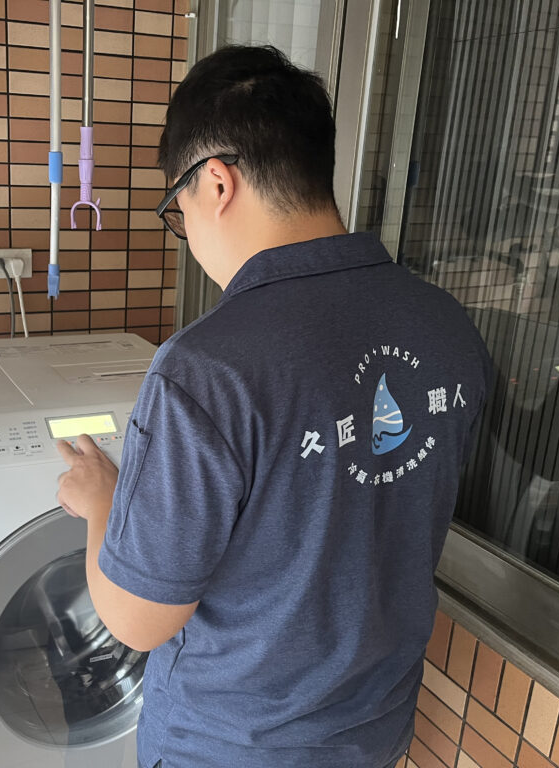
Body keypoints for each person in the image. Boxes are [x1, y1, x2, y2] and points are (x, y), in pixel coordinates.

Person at [55, 45, 492, 768]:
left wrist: (102, 501)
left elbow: (137, 620)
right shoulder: (444, 325)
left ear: (216, 182)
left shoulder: (207, 369)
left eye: (179, 210)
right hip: (372, 733)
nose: (188, 234)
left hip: (230, 746)